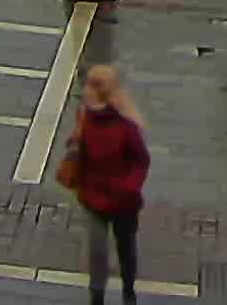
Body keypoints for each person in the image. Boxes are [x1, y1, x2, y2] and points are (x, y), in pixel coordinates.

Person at [58, 63, 149, 303]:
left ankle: (128, 290)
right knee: (97, 251)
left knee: (125, 248)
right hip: (92, 197)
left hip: (123, 202)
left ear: (103, 91)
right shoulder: (84, 115)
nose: (85, 89)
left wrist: (129, 188)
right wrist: (74, 147)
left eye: (91, 85)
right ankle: (96, 296)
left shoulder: (126, 126)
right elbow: (77, 142)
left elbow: (141, 160)